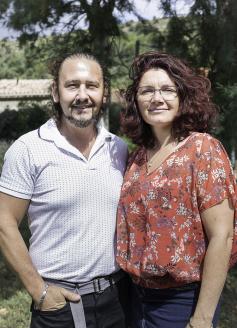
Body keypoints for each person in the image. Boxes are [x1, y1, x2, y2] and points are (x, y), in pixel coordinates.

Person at [0, 52, 128, 328]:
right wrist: (40, 291)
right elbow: (4, 223)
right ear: (56, 93)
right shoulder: (28, 150)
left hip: (117, 298)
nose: (82, 95)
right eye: (72, 85)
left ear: (103, 93)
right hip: (60, 304)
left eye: (91, 85)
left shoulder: (118, 148)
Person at [116, 51, 237, 328]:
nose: (157, 98)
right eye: (147, 91)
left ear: (183, 97)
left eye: (167, 90)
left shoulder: (203, 150)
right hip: (134, 297)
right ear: (136, 101)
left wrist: (202, 318)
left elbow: (223, 236)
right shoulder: (137, 158)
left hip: (182, 301)